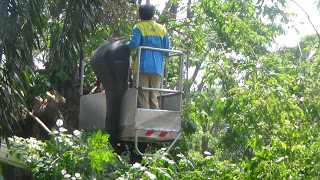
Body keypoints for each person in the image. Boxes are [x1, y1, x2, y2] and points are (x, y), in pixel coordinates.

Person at [126, 4, 170, 109]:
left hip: (142, 67)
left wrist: (124, 45)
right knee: (153, 98)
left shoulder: (139, 27)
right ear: (153, 14)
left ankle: (143, 124)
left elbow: (134, 44)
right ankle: (154, 124)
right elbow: (167, 52)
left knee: (142, 97)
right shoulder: (162, 29)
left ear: (140, 14)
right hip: (157, 68)